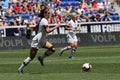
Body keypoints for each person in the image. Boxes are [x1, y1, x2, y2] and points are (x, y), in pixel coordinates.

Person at [18, 7, 60, 74]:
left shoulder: (43, 20)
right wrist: (56, 27)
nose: (50, 14)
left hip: (42, 39)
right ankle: (20, 69)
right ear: (45, 14)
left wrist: (31, 31)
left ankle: (41, 58)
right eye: (48, 13)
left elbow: (36, 26)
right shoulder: (44, 21)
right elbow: (48, 30)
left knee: (53, 49)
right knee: (31, 57)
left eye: (50, 13)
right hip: (37, 41)